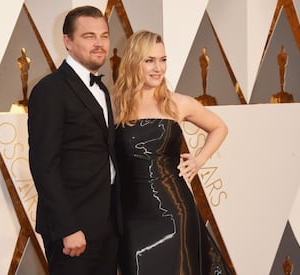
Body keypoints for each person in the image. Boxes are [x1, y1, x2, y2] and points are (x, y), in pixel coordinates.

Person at [112, 30, 230, 275]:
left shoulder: (178, 103)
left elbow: (219, 127)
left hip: (175, 212)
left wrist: (199, 160)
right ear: (134, 62)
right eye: (150, 60)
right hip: (131, 216)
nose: (158, 68)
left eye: (163, 59)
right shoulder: (114, 104)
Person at [28, 6, 120, 275]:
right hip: (72, 230)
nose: (100, 44)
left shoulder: (102, 89)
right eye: (89, 36)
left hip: (107, 224)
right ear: (67, 41)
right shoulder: (50, 90)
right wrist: (68, 228)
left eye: (104, 35)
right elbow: (44, 165)